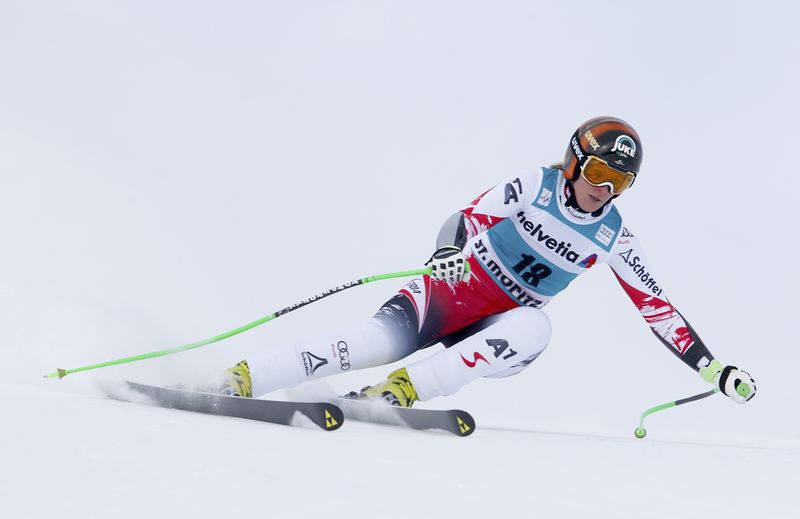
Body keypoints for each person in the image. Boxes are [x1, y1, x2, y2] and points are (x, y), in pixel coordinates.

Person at [218, 116, 756, 407]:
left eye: (619, 184)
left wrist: (712, 367)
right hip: (446, 295)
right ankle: (246, 376)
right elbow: (467, 216)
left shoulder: (615, 236)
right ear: (574, 163)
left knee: (537, 325)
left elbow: (657, 309)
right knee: (365, 345)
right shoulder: (536, 184)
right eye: (597, 174)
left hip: (495, 327)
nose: (603, 191)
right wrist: (448, 251)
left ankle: (405, 390)